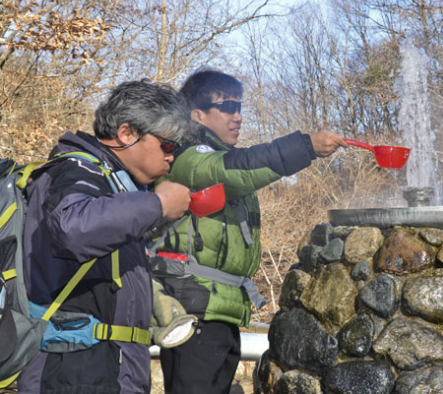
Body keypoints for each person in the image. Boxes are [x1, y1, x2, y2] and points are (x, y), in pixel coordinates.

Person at [154, 68, 347, 394]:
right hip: (195, 311)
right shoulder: (188, 157)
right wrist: (305, 147)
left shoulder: (217, 156)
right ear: (197, 114)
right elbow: (235, 171)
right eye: (228, 107)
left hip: (220, 310)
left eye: (240, 107)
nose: (238, 117)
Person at [18, 80, 193, 394]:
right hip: (72, 372)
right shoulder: (77, 170)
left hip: (102, 370)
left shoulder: (117, 187)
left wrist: (151, 298)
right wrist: (158, 205)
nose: (173, 157)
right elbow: (72, 228)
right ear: (126, 134)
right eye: (168, 145)